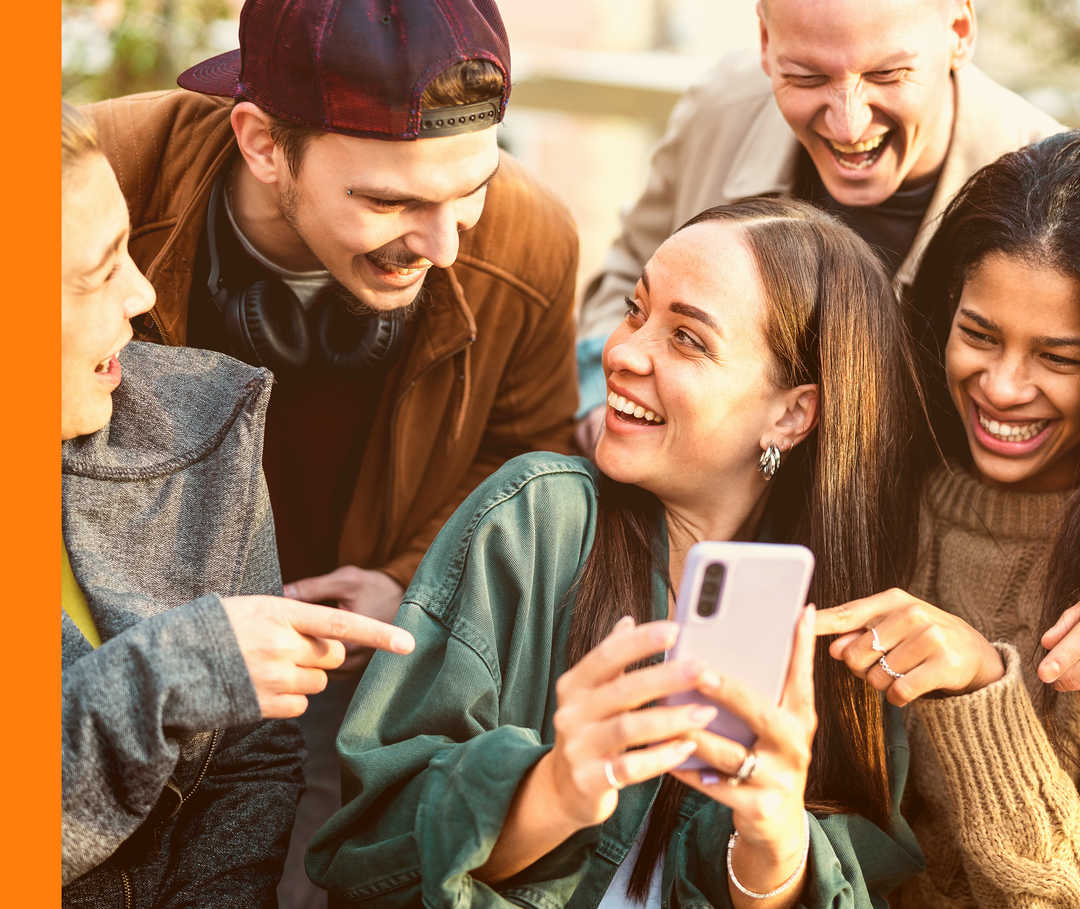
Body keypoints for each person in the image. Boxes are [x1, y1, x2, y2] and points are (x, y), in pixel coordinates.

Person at [84, 1, 579, 901]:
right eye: (389, 201)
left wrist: (413, 581)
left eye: (473, 186)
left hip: (352, 676)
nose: (445, 245)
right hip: (114, 661)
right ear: (262, 143)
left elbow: (521, 457)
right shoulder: (93, 180)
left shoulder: (530, 237)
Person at [307, 198, 932, 906]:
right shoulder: (536, 521)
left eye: (687, 339)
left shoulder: (845, 635)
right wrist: (555, 789)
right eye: (636, 311)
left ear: (791, 414)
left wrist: (776, 845)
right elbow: (366, 849)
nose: (622, 352)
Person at [61, 102, 414, 906]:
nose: (140, 293)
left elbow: (252, 765)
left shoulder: (206, 418)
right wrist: (172, 672)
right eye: (100, 270)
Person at [574, 0, 1064, 453]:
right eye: (806, 77)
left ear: (959, 30)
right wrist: (604, 402)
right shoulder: (719, 108)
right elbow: (628, 273)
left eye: (887, 74)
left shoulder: (1058, 196)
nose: (849, 125)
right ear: (765, 41)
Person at [817, 131, 1080, 907]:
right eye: (979, 335)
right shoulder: (868, 472)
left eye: (1060, 357)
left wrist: (983, 685)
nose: (1002, 386)